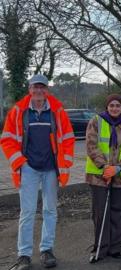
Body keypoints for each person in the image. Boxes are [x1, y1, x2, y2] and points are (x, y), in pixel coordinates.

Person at [0, 74, 75, 270]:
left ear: (47, 90)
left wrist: (64, 163)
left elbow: (68, 138)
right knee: (27, 212)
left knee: (50, 210)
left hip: (51, 169)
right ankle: (23, 255)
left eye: (42, 87)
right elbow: (7, 139)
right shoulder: (18, 111)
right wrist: (20, 163)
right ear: (29, 89)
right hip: (29, 169)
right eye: (35, 87)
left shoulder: (57, 111)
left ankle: (47, 250)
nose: (39, 91)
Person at [85, 94, 121, 263]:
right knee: (101, 213)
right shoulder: (96, 121)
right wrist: (104, 167)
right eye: (111, 105)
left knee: (117, 211)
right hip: (99, 176)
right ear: (107, 106)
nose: (115, 108)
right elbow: (91, 145)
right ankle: (101, 247)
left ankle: (116, 248)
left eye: (118, 105)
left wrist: (119, 167)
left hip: (120, 175)